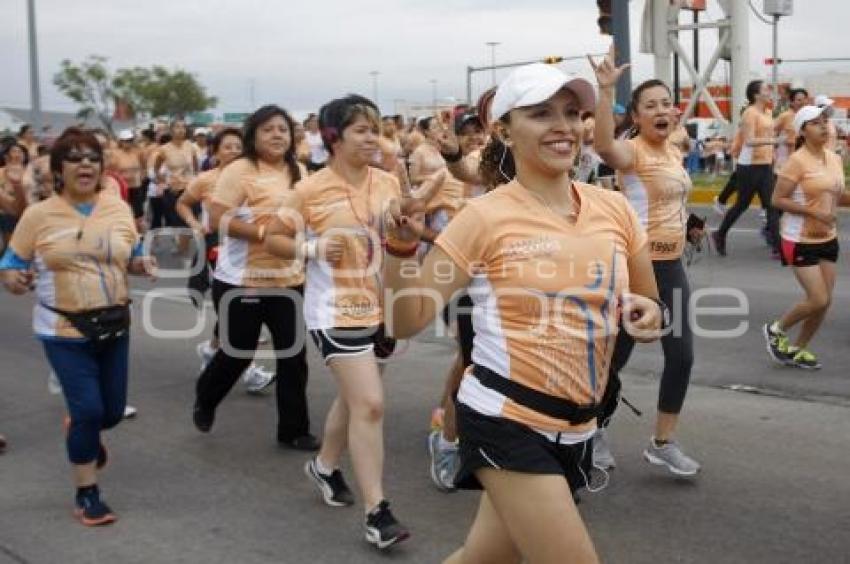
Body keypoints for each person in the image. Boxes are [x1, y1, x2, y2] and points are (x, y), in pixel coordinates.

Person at [383, 60, 663, 564]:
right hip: (505, 419)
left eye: (571, 112)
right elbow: (405, 320)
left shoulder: (614, 208)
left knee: (483, 557)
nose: (563, 125)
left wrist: (648, 313)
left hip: (580, 425)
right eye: (540, 113)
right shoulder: (484, 217)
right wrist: (400, 251)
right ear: (505, 131)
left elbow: (650, 300)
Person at [264, 94, 419, 549]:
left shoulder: (388, 182)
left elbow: (399, 231)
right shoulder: (309, 189)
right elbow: (274, 239)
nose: (374, 138)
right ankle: (378, 513)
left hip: (382, 306)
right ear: (333, 138)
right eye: (362, 130)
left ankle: (324, 466)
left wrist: (407, 222)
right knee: (370, 404)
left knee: (355, 400)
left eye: (376, 129)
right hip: (335, 310)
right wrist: (310, 250)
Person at [0, 127, 156, 526]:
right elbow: (12, 262)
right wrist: (13, 278)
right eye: (74, 157)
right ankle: (87, 492)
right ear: (58, 170)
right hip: (62, 327)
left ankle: (84, 428)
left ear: (102, 168)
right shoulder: (39, 215)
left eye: (92, 157)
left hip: (115, 322)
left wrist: (142, 264)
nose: (85, 163)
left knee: (111, 413)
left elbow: (132, 252)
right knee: (88, 410)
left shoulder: (117, 207)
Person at [590, 47, 702, 477]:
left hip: (672, 265)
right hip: (636, 269)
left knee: (682, 356)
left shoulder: (673, 148)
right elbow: (602, 144)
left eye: (666, 102)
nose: (661, 110)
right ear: (636, 116)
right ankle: (593, 428)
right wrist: (604, 92)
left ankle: (662, 442)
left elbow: (671, 196)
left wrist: (688, 223)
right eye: (650, 105)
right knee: (616, 356)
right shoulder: (631, 151)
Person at [192, 105, 318, 452]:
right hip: (241, 280)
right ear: (253, 135)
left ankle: (294, 430)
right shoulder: (239, 170)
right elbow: (218, 218)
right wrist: (265, 234)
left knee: (293, 357)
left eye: (283, 129)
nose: (277, 135)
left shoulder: (301, 171)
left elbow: (309, 216)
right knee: (238, 352)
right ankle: (206, 397)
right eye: (268, 129)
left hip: (288, 279)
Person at [175, 128, 274, 393]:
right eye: (227, 147)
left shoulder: (254, 178)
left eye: (238, 146)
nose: (233, 151)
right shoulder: (206, 179)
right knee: (239, 307)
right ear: (215, 151)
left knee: (238, 309)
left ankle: (211, 349)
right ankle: (249, 370)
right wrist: (194, 224)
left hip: (249, 247)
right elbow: (182, 203)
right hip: (217, 247)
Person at [764, 105, 850, 370]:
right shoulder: (797, 161)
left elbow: (838, 195)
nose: (824, 126)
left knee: (825, 301)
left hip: (828, 237)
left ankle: (799, 349)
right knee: (818, 298)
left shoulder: (834, 158)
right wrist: (813, 212)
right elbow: (777, 199)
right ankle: (776, 329)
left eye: (825, 121)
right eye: (815, 123)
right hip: (798, 239)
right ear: (802, 131)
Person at [712, 80, 780, 257]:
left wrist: (772, 156)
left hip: (765, 166)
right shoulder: (750, 113)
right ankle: (720, 234)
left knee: (772, 206)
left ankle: (778, 247)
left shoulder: (768, 112)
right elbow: (749, 141)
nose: (769, 91)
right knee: (742, 204)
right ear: (756, 95)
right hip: (749, 166)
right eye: (766, 88)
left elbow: (767, 135)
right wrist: (774, 141)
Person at [110, 130, 147, 230]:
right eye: (125, 141)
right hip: (122, 189)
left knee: (138, 213)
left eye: (130, 140)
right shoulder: (115, 154)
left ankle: (139, 234)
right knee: (123, 212)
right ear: (121, 142)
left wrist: (142, 177)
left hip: (136, 186)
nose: (128, 143)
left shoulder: (137, 153)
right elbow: (111, 172)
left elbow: (144, 166)